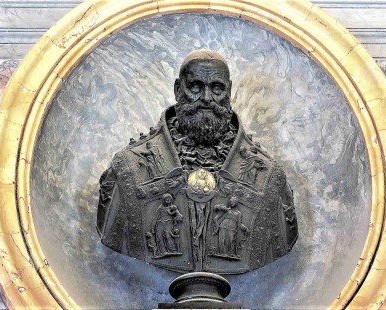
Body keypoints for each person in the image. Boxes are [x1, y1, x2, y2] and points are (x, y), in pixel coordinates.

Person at [96, 49, 297, 274]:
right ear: (177, 89)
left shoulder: (269, 178)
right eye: (195, 87)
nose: (206, 99)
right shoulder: (128, 169)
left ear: (229, 91)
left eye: (217, 88)